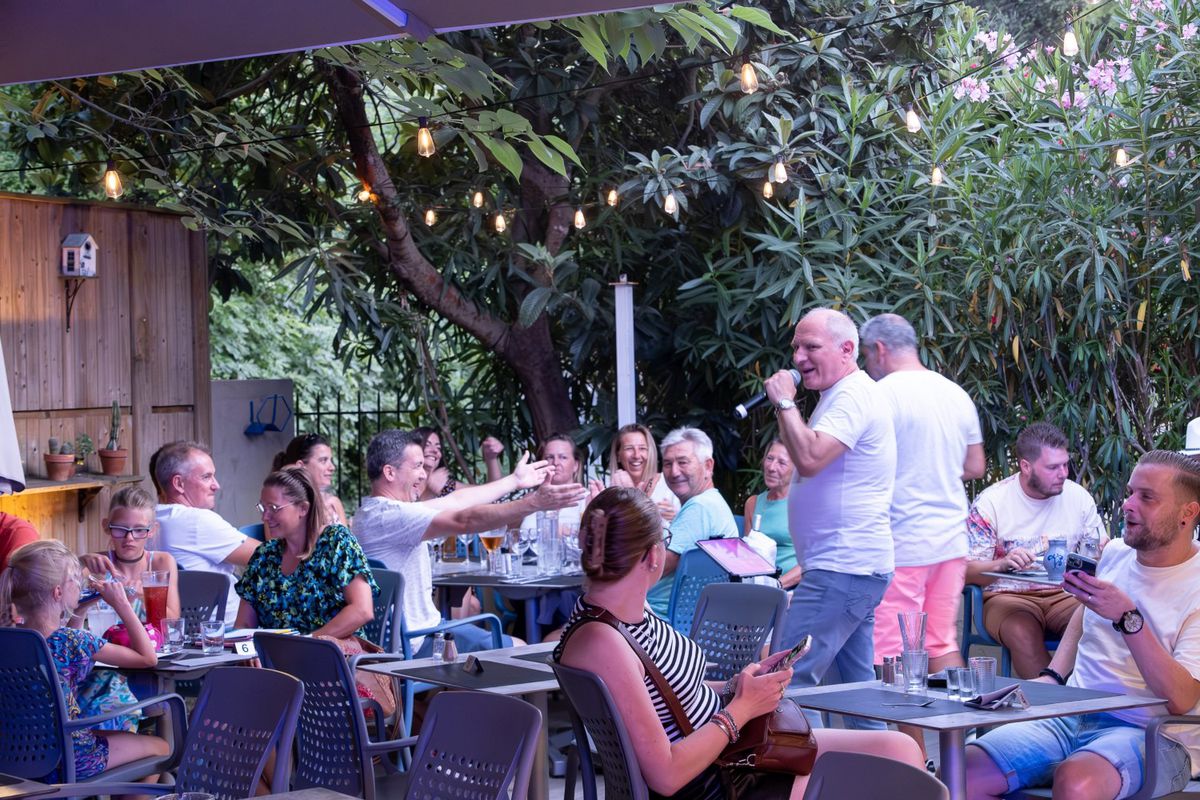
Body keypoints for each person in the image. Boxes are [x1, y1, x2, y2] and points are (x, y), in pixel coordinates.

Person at [553, 487, 924, 799]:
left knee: (899, 748)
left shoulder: (620, 615)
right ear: (652, 556)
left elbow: (664, 695)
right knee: (893, 776)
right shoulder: (604, 642)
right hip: (719, 782)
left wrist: (737, 686)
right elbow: (666, 774)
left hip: (731, 755)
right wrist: (742, 709)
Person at [965, 450, 1200, 800]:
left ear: (1188, 513)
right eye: (1130, 493)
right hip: (1072, 713)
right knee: (963, 771)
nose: (1128, 505)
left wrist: (1128, 618)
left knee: (1076, 782)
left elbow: (1181, 700)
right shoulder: (1116, 552)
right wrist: (1054, 675)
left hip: (1153, 732)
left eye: (1147, 497)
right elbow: (1084, 611)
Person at [763, 307, 895, 725]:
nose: (799, 357)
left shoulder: (853, 395)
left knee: (785, 680)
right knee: (854, 694)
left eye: (811, 347)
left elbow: (809, 457)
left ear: (847, 349)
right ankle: (878, 765)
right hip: (849, 566)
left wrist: (785, 401)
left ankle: (807, 767)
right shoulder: (839, 396)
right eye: (796, 347)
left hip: (842, 566)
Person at [352, 429, 586, 656]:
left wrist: (515, 480)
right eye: (417, 466)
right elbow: (465, 520)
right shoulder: (391, 516)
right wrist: (533, 503)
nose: (424, 475)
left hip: (420, 634)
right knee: (520, 649)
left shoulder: (374, 512)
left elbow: (457, 501)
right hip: (419, 642)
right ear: (390, 472)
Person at [860, 314, 985, 720]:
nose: (866, 365)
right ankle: (959, 736)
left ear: (879, 349)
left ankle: (911, 750)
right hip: (950, 540)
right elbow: (975, 465)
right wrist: (936, 469)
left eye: (866, 356)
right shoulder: (955, 394)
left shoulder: (880, 394)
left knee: (893, 651)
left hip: (902, 542)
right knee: (940, 642)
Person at [0, 540, 169, 784]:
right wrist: (122, 604)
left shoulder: (11, 639)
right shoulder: (73, 640)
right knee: (161, 747)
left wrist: (80, 609)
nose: (80, 584)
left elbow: (68, 653)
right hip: (72, 757)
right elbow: (148, 657)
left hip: (18, 755)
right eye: (74, 580)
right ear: (58, 592)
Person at [965, 421, 1106, 678]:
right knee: (1022, 630)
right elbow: (965, 572)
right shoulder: (992, 502)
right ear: (1025, 466)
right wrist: (1001, 564)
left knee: (1097, 622)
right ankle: (1052, 698)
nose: (1063, 473)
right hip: (1007, 597)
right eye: (1053, 467)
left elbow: (1099, 553)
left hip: (1066, 593)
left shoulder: (1078, 497)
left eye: (1065, 465)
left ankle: (1086, 695)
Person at [76, 487, 180, 732]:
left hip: (150, 664)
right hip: (103, 665)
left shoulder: (161, 562)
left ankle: (139, 749)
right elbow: (69, 613)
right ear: (106, 526)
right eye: (120, 529)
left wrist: (138, 593)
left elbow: (172, 620)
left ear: (152, 530)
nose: (129, 538)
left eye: (139, 530)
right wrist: (78, 565)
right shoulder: (97, 564)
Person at [235, 467, 376, 637]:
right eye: (263, 508)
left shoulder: (336, 542)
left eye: (273, 508)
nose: (265, 517)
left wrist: (309, 643)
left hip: (331, 650)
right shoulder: (264, 556)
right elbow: (243, 625)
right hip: (277, 653)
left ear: (303, 508)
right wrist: (245, 647)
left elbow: (362, 610)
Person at [153, 441, 258, 624]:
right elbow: (272, 557)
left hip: (180, 627)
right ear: (179, 483)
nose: (216, 485)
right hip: (226, 628)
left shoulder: (151, 517)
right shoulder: (196, 520)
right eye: (206, 477)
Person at [646, 427, 738, 617]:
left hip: (662, 621)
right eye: (668, 463)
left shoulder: (701, 507)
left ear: (708, 466)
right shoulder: (710, 502)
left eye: (683, 462)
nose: (674, 472)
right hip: (682, 620)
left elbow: (655, 567)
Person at [743, 440, 801, 590]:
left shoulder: (806, 504)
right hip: (758, 588)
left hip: (793, 589)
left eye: (782, 462)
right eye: (769, 458)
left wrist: (777, 585)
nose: (771, 467)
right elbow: (748, 555)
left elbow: (814, 561)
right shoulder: (753, 503)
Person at [602, 423, 680, 525]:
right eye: (629, 448)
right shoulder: (610, 491)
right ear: (618, 456)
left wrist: (677, 518)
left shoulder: (669, 485)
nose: (636, 455)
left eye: (642, 448)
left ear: (650, 453)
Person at [414, 426, 505, 501]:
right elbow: (409, 515)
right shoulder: (406, 482)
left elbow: (490, 493)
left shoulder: (444, 485)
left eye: (438, 448)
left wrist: (491, 458)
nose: (435, 450)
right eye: (427, 445)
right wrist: (429, 493)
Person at [273, 433, 347, 524]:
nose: (332, 467)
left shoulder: (334, 504)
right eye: (323, 460)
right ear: (301, 466)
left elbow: (347, 534)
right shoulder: (279, 507)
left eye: (330, 460)